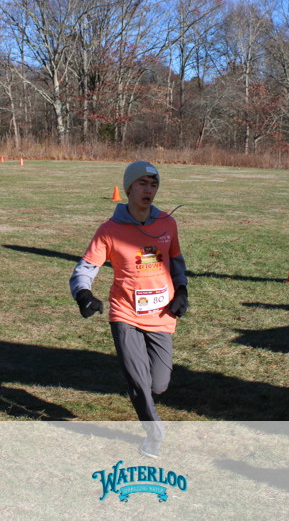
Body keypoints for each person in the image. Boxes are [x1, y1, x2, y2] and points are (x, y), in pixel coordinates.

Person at [69, 161, 188, 458]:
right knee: (138, 380)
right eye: (142, 184)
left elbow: (176, 262)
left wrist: (182, 290)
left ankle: (145, 397)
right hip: (125, 314)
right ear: (129, 188)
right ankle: (153, 434)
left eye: (154, 184)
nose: (149, 190)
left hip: (161, 315)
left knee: (159, 384)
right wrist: (84, 294)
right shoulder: (110, 230)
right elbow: (84, 269)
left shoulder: (167, 223)